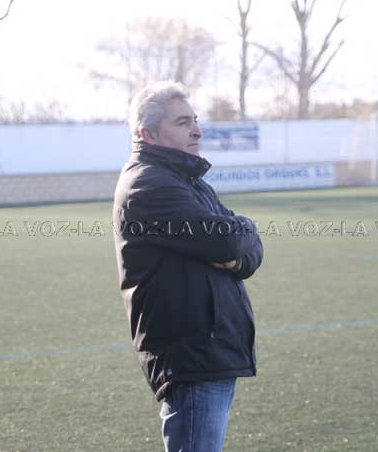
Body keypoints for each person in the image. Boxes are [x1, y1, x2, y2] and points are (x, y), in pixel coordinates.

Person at [112, 81, 264, 452]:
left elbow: (247, 248)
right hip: (192, 350)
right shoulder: (148, 184)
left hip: (210, 347)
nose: (197, 130)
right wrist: (241, 236)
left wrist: (238, 248)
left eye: (195, 120)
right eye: (183, 122)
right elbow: (228, 240)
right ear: (147, 134)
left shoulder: (188, 181)